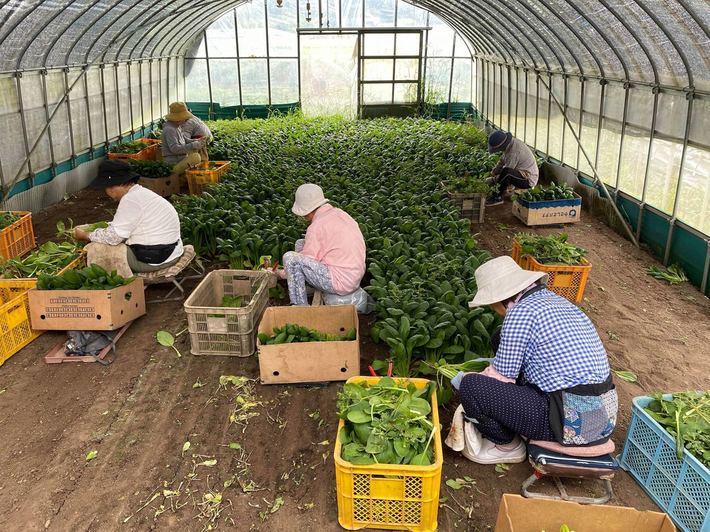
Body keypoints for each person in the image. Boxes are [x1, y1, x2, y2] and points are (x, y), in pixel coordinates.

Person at [450, 256, 616, 464]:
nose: (495, 310)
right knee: (499, 339)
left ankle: (506, 446)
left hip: (569, 425)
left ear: (501, 298)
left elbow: (501, 378)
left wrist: (468, 378)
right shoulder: (558, 302)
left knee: (472, 387)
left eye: (492, 305)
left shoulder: (519, 314)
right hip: (601, 419)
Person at [74, 160, 184, 273]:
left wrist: (85, 235)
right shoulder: (141, 193)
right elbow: (129, 224)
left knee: (96, 248)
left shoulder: (130, 200)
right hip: (171, 252)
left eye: (106, 188)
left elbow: (114, 237)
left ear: (113, 186)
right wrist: (101, 227)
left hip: (155, 259)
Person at [277, 184, 366, 306]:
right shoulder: (340, 214)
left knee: (290, 259)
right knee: (301, 243)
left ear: (306, 212)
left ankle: (300, 307)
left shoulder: (316, 227)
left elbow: (306, 259)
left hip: (340, 282)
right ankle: (305, 286)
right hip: (354, 276)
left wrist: (281, 273)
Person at [486, 130, 539, 206]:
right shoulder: (510, 145)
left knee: (507, 173)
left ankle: (497, 197)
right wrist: (494, 171)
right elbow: (502, 161)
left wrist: (493, 180)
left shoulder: (514, 152)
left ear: (502, 146)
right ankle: (504, 190)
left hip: (528, 179)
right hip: (521, 173)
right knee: (506, 173)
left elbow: (506, 173)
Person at [161, 102, 209, 174]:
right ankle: (174, 173)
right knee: (196, 157)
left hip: (180, 159)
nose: (185, 120)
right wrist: (193, 145)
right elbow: (175, 149)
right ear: (178, 118)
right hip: (173, 163)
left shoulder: (176, 127)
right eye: (184, 118)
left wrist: (195, 141)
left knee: (196, 155)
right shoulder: (170, 130)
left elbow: (184, 139)